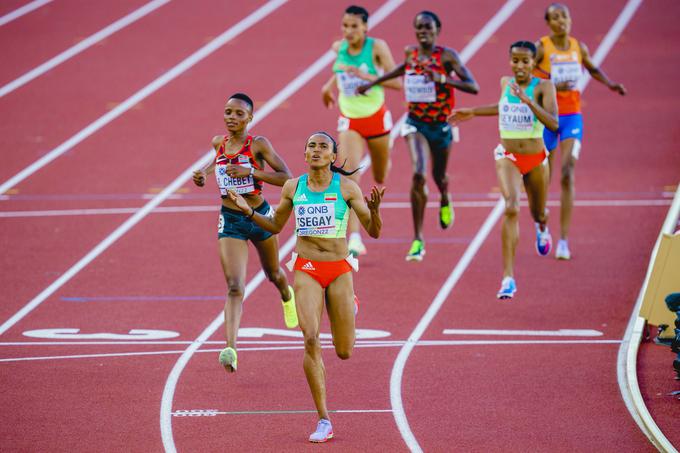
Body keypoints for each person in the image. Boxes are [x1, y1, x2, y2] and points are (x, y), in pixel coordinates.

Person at [228, 132, 384, 442]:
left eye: (322, 146)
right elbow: (275, 226)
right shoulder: (293, 187)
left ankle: (349, 302)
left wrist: (375, 211)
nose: (315, 150)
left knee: (344, 351)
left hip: (339, 269)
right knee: (310, 338)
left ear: (332, 156)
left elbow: (374, 232)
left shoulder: (347, 188)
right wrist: (248, 211)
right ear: (305, 154)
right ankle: (324, 419)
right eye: (310, 145)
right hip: (307, 268)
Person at [357, 10, 478, 261]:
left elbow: (473, 86)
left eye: (428, 27)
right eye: (419, 27)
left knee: (439, 176)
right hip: (415, 124)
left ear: (437, 30)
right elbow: (403, 69)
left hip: (441, 126)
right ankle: (418, 239)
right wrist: (373, 82)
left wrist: (443, 78)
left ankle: (445, 196)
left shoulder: (447, 56)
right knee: (418, 174)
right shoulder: (411, 53)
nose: (423, 31)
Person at [192, 93, 298, 373]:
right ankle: (231, 348)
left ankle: (287, 295)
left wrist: (251, 172)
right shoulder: (219, 142)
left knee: (273, 273)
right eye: (228, 112)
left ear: (250, 118)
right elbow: (218, 163)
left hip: (260, 216)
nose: (232, 118)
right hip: (231, 220)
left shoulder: (258, 145)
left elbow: (287, 177)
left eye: (239, 114)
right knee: (235, 285)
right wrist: (203, 173)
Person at [449, 41, 558, 299]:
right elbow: (504, 108)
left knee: (537, 212)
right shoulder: (504, 83)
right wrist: (473, 112)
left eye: (525, 61)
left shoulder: (543, 86)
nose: (520, 66)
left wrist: (528, 101)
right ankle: (508, 278)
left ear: (534, 63)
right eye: (515, 60)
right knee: (510, 207)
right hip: (508, 155)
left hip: (535, 157)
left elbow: (553, 123)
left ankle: (542, 226)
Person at [535, 3, 626, 260]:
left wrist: (611, 84)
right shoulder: (542, 47)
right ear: (548, 23)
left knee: (567, 173)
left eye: (564, 15)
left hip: (572, 117)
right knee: (544, 177)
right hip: (548, 118)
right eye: (555, 18)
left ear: (570, 19)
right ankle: (542, 226)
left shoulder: (579, 47)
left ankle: (563, 240)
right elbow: (529, 74)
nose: (561, 21)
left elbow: (593, 68)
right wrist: (551, 81)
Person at [321, 5, 400, 258]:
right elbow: (340, 71)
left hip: (376, 118)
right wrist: (327, 86)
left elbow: (397, 82)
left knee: (380, 175)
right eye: (345, 26)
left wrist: (366, 76)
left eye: (354, 26)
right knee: (349, 175)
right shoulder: (339, 48)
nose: (349, 31)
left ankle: (385, 155)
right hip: (350, 120)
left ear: (365, 27)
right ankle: (354, 238)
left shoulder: (377, 48)